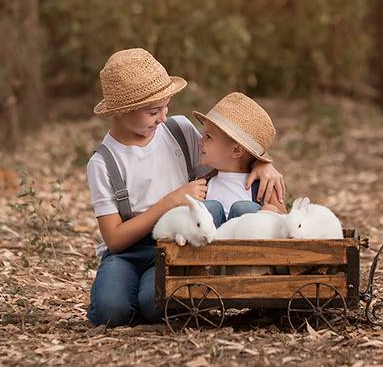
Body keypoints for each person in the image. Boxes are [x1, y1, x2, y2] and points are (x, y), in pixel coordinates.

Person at [86, 48, 285, 327]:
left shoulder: (177, 131)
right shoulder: (103, 162)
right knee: (111, 311)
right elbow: (115, 239)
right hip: (128, 252)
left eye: (166, 107)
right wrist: (168, 202)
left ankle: (148, 302)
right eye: (154, 112)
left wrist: (262, 164)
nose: (164, 117)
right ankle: (121, 295)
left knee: (158, 305)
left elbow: (227, 161)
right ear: (121, 112)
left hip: (174, 244)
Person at [195, 92, 287, 221]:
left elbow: (287, 225)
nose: (200, 141)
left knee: (244, 209)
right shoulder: (202, 185)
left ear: (237, 150)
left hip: (245, 238)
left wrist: (274, 213)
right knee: (210, 209)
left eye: (208, 137)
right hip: (212, 238)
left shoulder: (264, 186)